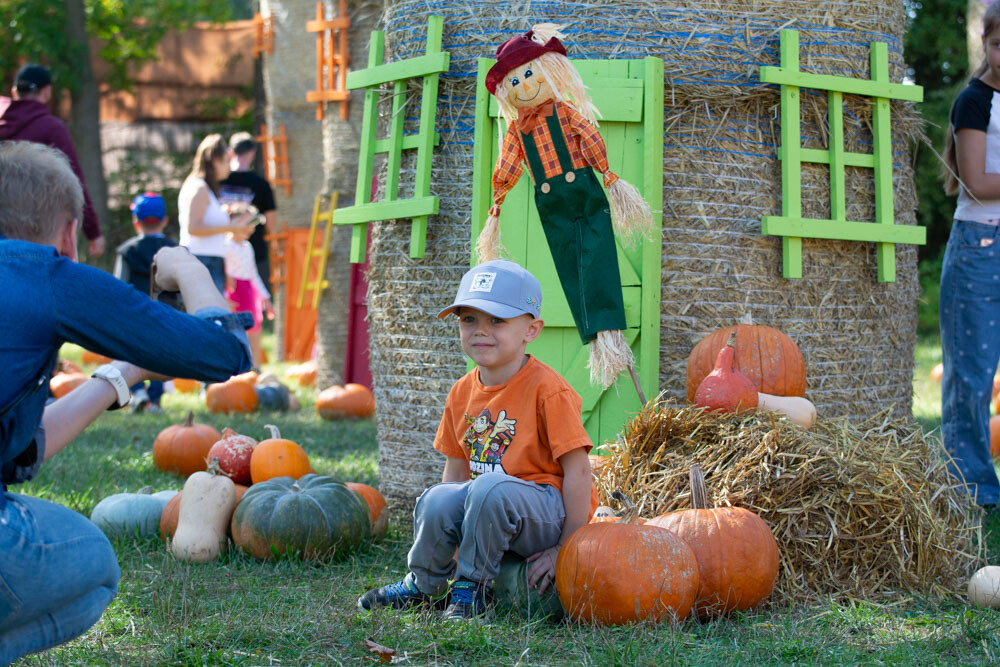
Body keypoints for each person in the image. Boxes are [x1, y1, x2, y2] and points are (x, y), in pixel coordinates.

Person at [0, 141, 253, 663]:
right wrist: (187, 268)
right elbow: (226, 351)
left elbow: (22, 448)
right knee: (91, 561)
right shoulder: (44, 275)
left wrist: (122, 375)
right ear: (69, 233)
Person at [357, 259, 597, 619]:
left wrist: (566, 547)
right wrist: (451, 539)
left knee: (489, 488)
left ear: (531, 330)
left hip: (546, 514)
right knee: (438, 497)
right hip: (489, 505)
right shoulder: (461, 392)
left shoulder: (549, 391)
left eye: (497, 320)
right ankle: (426, 585)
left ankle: (473, 589)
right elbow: (455, 475)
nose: (481, 330)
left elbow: (579, 474)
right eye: (469, 319)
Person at [941, 0, 1000, 510]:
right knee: (973, 376)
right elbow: (978, 184)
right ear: (986, 42)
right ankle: (972, 493)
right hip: (981, 247)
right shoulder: (975, 101)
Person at [0, 63, 105, 258]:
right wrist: (93, 232)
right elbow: (75, 181)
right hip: (41, 233)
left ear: (15, 92)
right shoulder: (52, 129)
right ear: (47, 92)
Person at [113, 192, 177, 413]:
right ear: (165, 220)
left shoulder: (127, 251)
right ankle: (156, 398)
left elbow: (119, 284)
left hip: (135, 313)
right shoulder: (174, 250)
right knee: (161, 355)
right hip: (164, 313)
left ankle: (138, 391)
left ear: (135, 221)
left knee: (133, 353)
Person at [178, 133, 253, 294]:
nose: (229, 165)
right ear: (215, 161)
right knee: (207, 317)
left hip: (209, 262)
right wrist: (230, 227)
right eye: (226, 161)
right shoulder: (199, 188)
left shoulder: (203, 188)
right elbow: (193, 228)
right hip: (202, 262)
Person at [220, 131, 278, 295]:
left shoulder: (218, 180)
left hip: (221, 248)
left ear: (231, 152)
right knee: (252, 296)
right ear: (252, 152)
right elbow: (271, 222)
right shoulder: (261, 184)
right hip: (253, 251)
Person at [225, 221, 274, 367]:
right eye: (248, 224)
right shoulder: (225, 246)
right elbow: (223, 269)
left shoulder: (247, 246)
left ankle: (255, 366)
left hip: (248, 289)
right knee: (234, 328)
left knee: (254, 327)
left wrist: (265, 297)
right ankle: (235, 366)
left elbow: (253, 274)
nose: (251, 229)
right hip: (234, 290)